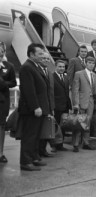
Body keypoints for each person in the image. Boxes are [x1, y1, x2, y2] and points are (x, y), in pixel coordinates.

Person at [18, 43, 51, 171]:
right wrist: (35, 107)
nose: (42, 56)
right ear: (31, 54)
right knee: (29, 136)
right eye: (40, 54)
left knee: (36, 135)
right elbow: (29, 90)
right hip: (33, 109)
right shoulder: (27, 67)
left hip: (39, 108)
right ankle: (25, 161)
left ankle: (34, 157)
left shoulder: (34, 66)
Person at [72, 56, 96, 152]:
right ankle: (75, 144)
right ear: (85, 63)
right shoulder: (79, 73)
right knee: (79, 122)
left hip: (90, 101)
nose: (91, 64)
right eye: (89, 63)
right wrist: (76, 103)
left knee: (88, 122)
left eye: (93, 63)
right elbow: (75, 90)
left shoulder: (94, 75)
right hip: (81, 101)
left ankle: (86, 143)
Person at [0, 43, 16, 163]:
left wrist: (4, 84)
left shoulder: (9, 66)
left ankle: (0, 153)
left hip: (2, 101)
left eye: (1, 50)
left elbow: (13, 82)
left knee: (1, 127)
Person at [38, 52, 56, 158]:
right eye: (43, 58)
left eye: (47, 59)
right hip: (39, 106)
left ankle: (43, 150)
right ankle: (36, 152)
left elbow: (51, 92)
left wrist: (52, 107)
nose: (45, 60)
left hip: (48, 105)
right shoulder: (37, 71)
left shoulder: (49, 72)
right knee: (38, 130)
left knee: (46, 128)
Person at [52, 60, 72, 151]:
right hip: (56, 106)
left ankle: (60, 144)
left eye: (63, 67)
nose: (62, 68)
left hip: (65, 106)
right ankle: (54, 145)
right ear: (55, 67)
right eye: (60, 66)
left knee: (63, 126)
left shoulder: (66, 77)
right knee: (55, 127)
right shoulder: (52, 77)